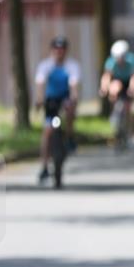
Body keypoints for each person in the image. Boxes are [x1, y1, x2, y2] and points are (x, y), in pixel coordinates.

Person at [34, 36, 81, 184]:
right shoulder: (45, 65)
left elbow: (74, 84)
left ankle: (70, 136)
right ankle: (44, 166)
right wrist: (39, 99)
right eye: (56, 49)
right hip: (51, 101)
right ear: (52, 50)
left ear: (66, 51)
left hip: (65, 99)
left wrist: (74, 98)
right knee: (48, 131)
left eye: (62, 49)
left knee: (70, 110)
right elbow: (40, 83)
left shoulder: (71, 66)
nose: (59, 52)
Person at [99, 40, 134, 146]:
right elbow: (107, 77)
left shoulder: (132, 60)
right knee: (114, 88)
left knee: (129, 108)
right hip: (117, 81)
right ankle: (114, 112)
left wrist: (132, 89)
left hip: (128, 81)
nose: (119, 60)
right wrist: (104, 88)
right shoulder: (111, 61)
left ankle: (131, 135)